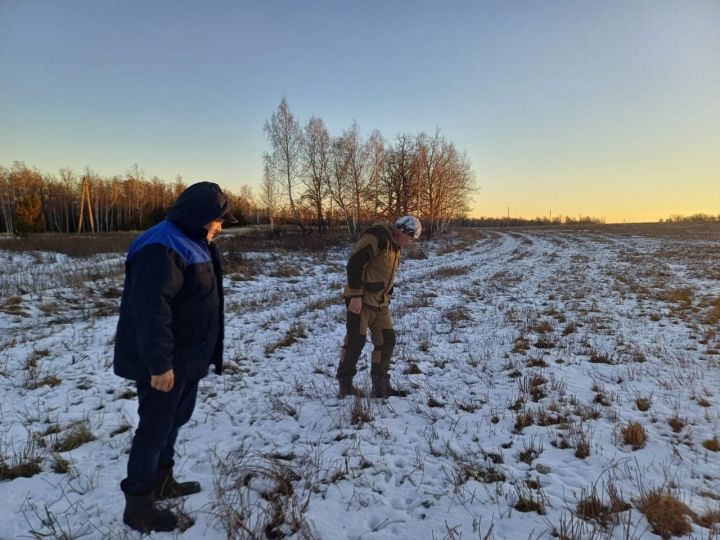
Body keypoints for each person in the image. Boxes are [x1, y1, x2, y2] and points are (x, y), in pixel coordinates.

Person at [113, 181, 237, 533]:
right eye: (218, 219)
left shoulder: (194, 241)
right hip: (164, 363)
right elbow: (151, 311)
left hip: (186, 359)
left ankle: (162, 482)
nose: (220, 226)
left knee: (174, 421)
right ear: (201, 217)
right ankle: (138, 504)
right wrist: (160, 365)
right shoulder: (161, 245)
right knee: (153, 430)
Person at [336, 215, 422, 399]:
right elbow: (355, 264)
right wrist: (356, 296)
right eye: (411, 238)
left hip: (380, 304)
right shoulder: (377, 235)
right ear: (403, 231)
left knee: (387, 340)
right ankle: (346, 387)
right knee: (355, 342)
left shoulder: (395, 246)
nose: (410, 243)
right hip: (361, 301)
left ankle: (380, 386)